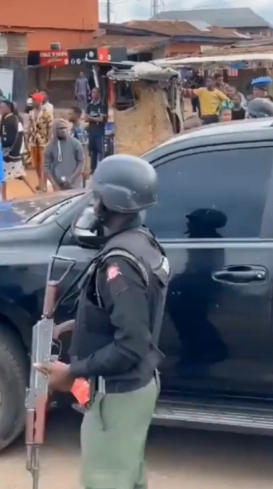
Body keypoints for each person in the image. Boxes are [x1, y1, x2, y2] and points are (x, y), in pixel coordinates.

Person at [35, 154, 169, 489]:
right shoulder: (142, 241)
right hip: (136, 386)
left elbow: (131, 344)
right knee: (129, 476)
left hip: (118, 395)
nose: (94, 204)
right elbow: (127, 316)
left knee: (106, 481)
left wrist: (74, 372)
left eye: (98, 197)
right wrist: (78, 329)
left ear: (113, 202)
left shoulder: (119, 263)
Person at [44, 119, 86, 190]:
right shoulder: (49, 147)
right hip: (58, 185)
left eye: (65, 128)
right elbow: (46, 167)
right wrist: (54, 184)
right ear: (55, 130)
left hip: (75, 183)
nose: (63, 130)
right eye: (60, 128)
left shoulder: (75, 143)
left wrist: (72, 178)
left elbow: (81, 162)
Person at [0, 100, 27, 199]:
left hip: (10, 153)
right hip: (14, 152)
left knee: (3, 177)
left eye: (2, 107)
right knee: (17, 175)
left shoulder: (9, 120)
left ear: (8, 107)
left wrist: (8, 151)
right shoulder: (12, 118)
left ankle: (4, 198)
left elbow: (9, 138)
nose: (0, 109)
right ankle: (4, 197)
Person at [27, 93, 53, 192]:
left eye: (34, 100)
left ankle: (44, 185)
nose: (32, 102)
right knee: (36, 164)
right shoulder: (31, 113)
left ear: (39, 101)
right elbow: (30, 127)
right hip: (34, 141)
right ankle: (40, 182)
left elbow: (50, 127)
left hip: (43, 142)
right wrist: (28, 138)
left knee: (43, 164)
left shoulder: (47, 113)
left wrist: (50, 141)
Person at [85, 88, 108, 173]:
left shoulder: (102, 105)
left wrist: (91, 118)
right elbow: (85, 119)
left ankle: (102, 169)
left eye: (95, 93)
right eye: (92, 93)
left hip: (99, 130)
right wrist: (94, 119)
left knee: (100, 150)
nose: (93, 95)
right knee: (92, 150)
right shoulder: (89, 105)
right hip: (91, 130)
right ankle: (93, 169)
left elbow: (101, 119)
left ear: (99, 94)